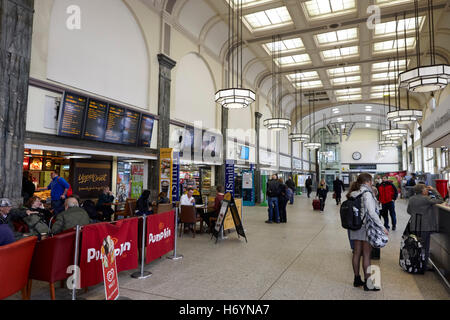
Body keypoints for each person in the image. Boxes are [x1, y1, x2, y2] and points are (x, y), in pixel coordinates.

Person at [348, 173, 388, 291]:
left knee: (356, 253)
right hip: (366, 227)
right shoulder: (367, 194)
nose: (372, 183)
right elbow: (372, 212)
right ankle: (368, 284)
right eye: (371, 181)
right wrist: (382, 227)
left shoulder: (354, 193)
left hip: (355, 226)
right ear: (368, 181)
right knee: (366, 254)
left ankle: (356, 279)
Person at [407, 184, 444, 271]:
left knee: (416, 245)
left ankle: (415, 262)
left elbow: (408, 211)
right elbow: (440, 200)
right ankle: (424, 265)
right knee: (425, 246)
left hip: (414, 225)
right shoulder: (426, 199)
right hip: (425, 226)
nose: (427, 190)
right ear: (422, 191)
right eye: (426, 189)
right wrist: (434, 190)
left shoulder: (411, 198)